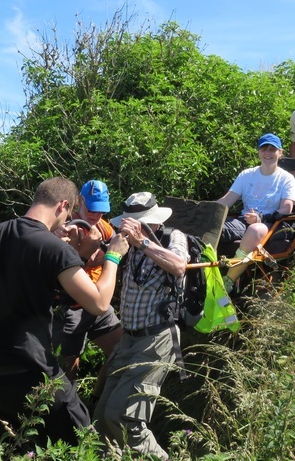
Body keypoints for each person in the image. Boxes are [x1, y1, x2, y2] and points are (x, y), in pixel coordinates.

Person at [0, 177, 130, 453]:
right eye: (69, 212)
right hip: (28, 373)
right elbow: (99, 303)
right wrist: (113, 257)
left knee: (3, 452)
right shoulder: (55, 249)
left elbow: (30, 277)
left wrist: (68, 250)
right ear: (63, 206)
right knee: (82, 445)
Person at [93, 192, 189, 459]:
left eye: (142, 223)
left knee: (124, 418)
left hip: (156, 339)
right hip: (128, 339)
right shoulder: (126, 244)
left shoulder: (172, 237)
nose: (134, 228)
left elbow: (180, 266)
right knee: (101, 418)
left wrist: (143, 241)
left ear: (154, 222)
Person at [52, 180, 123, 406]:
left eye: (101, 209)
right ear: (79, 201)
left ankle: (95, 400)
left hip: (97, 304)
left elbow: (116, 250)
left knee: (120, 351)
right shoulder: (64, 228)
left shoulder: (105, 228)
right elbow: (60, 273)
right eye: (91, 208)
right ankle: (65, 412)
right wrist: (81, 251)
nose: (95, 214)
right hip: (70, 307)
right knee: (68, 368)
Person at [216, 133, 295, 291]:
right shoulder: (247, 175)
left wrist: (261, 217)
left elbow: (286, 209)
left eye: (272, 149)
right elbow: (226, 201)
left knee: (255, 229)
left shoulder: (286, 178)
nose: (267, 153)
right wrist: (202, 210)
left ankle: (227, 282)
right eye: (264, 149)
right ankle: (203, 273)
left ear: (280, 152)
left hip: (272, 223)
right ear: (259, 152)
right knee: (216, 227)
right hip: (244, 220)